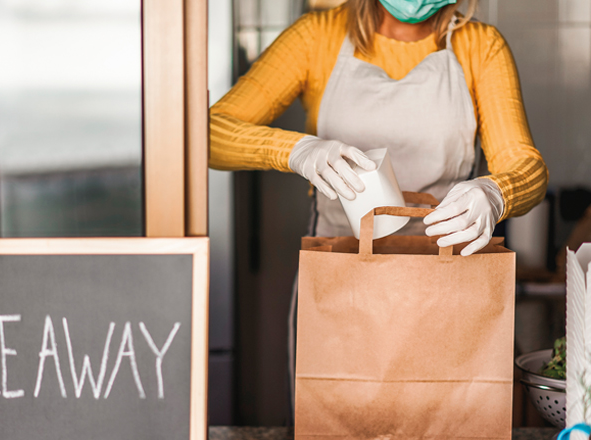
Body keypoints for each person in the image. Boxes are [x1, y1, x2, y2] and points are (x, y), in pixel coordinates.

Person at [209, 0, 548, 412]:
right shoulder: (318, 35)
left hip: (447, 281)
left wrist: (496, 192)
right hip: (341, 280)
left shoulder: (480, 45)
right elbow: (209, 135)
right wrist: (297, 150)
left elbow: (524, 164)